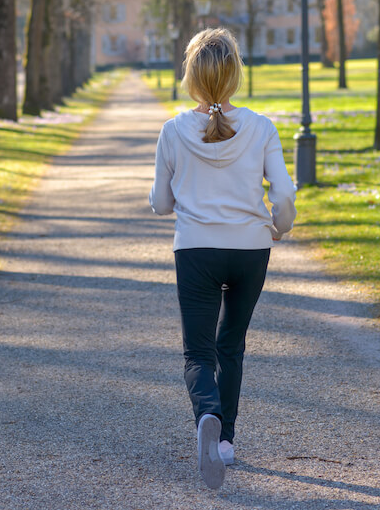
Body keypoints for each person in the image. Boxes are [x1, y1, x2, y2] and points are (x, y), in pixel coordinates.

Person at [149, 28, 297, 490]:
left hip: (196, 250)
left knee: (198, 351)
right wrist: (280, 227)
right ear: (235, 75)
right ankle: (226, 442)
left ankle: (207, 415)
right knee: (231, 344)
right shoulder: (261, 126)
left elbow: (160, 204)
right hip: (251, 249)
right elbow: (286, 194)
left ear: (190, 76)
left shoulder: (173, 131)